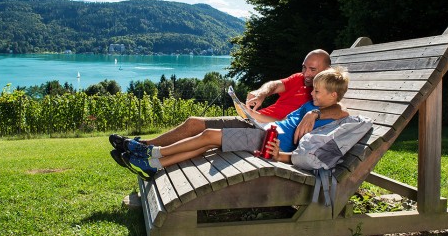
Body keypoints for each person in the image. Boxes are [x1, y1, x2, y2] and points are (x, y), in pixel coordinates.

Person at [111, 67, 351, 179]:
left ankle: (151, 151)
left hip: (269, 142)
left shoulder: (325, 109)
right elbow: (279, 108)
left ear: (331, 96)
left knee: (209, 136)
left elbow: (343, 112)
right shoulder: (311, 103)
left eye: (318, 92)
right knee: (207, 144)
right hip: (265, 131)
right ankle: (156, 164)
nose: (313, 94)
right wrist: (254, 112)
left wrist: (316, 114)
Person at [110, 49, 344, 150]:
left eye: (312, 70)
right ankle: (145, 146)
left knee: (198, 128)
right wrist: (262, 92)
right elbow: (275, 84)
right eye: (304, 68)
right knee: (194, 122)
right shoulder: (300, 80)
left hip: (264, 130)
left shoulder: (322, 95)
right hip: (253, 121)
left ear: (326, 69)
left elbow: (341, 110)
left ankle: (146, 149)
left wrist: (316, 113)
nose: (306, 74)